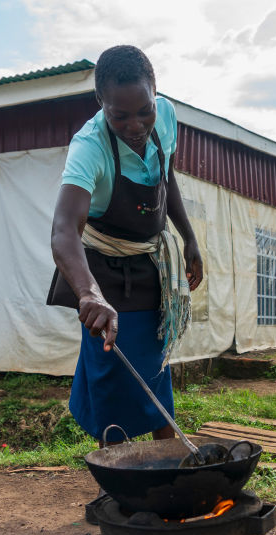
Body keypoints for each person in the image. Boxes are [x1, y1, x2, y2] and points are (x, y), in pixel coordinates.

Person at [49, 45, 203, 452]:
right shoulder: (89, 147)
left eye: (144, 112)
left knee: (155, 369)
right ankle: (114, 477)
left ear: (155, 93)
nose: (136, 125)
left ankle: (169, 465)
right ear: (102, 104)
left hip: (150, 263)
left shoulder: (166, 116)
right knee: (110, 374)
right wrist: (88, 292)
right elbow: (64, 229)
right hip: (101, 268)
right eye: (121, 116)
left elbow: (166, 178)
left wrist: (188, 237)